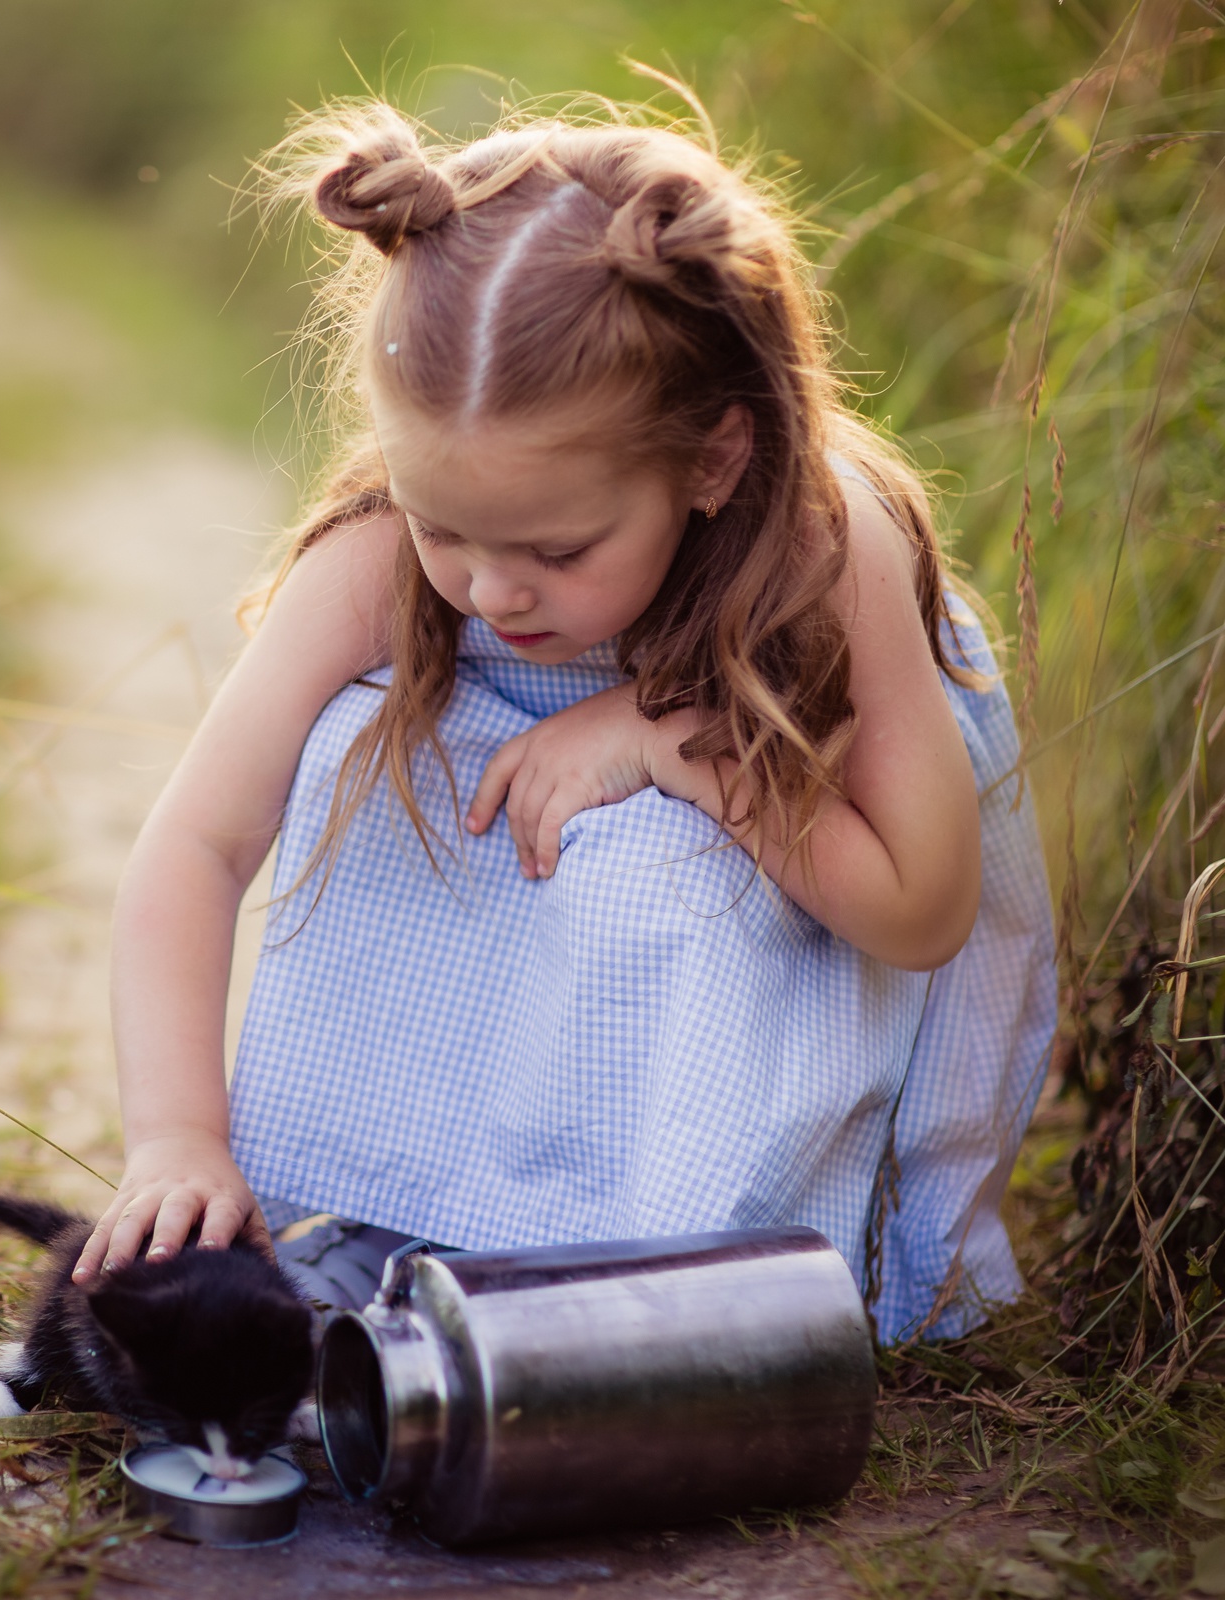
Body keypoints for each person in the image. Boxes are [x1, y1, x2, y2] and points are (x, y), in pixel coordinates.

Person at [68, 102, 1056, 1341]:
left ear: (713, 461)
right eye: (445, 530)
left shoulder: (818, 553)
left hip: (760, 1016)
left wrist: (668, 746)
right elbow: (196, 844)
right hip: (507, 1015)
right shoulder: (378, 560)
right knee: (360, 747)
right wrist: (174, 1137)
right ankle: (402, 1219)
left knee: (654, 844)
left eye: (557, 548)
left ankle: (664, 1287)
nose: (490, 591)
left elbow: (925, 910)